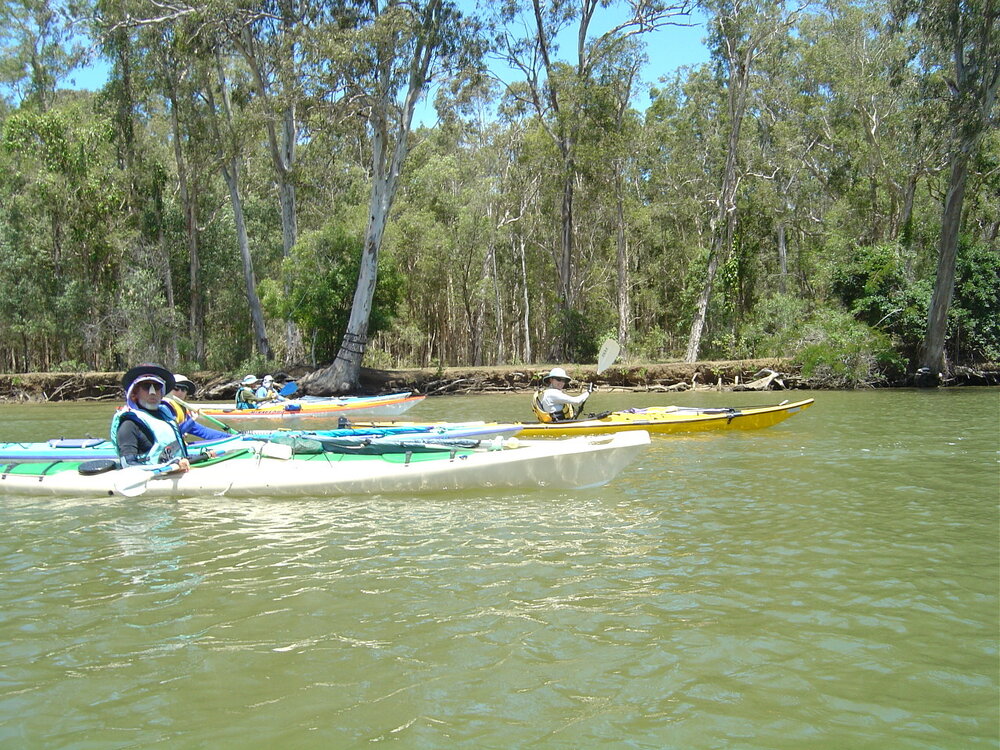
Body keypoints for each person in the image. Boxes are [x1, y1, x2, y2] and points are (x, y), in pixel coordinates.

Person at [110, 363, 190, 472]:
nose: (152, 392)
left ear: (162, 392)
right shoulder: (129, 425)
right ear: (134, 393)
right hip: (154, 480)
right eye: (146, 386)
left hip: (176, 470)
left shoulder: (167, 417)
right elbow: (128, 465)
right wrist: (170, 466)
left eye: (157, 387)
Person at [164, 374, 231, 442]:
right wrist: (192, 420)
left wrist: (230, 437)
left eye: (184, 389)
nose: (180, 392)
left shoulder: (182, 409)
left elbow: (203, 431)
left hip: (179, 447)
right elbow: (173, 434)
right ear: (168, 389)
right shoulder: (164, 407)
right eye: (176, 388)